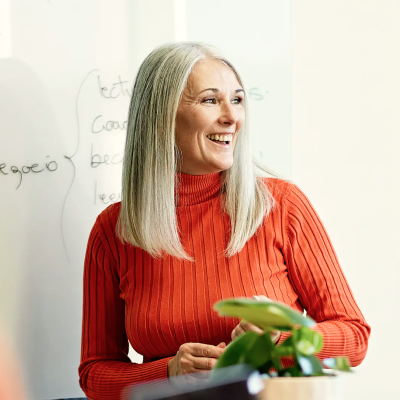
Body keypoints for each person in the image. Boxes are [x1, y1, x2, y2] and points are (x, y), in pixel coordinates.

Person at [78, 42, 370, 400]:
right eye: (210, 100)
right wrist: (169, 371)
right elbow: (95, 375)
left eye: (237, 99)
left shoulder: (282, 205)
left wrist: (279, 340)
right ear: (162, 116)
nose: (232, 117)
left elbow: (354, 336)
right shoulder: (114, 230)